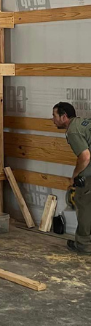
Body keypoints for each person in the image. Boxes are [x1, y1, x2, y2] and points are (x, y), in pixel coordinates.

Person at [52, 102, 91, 254]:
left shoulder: (73, 131)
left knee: (85, 205)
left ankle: (83, 245)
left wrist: (75, 175)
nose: (52, 119)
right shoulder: (83, 123)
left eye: (55, 116)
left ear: (64, 117)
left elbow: (85, 157)